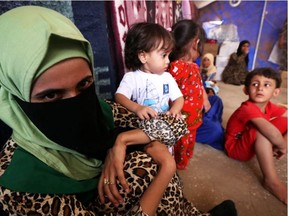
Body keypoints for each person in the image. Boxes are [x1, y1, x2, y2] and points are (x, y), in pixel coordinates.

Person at [0, 6, 238, 216]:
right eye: (51, 95)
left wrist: (123, 140)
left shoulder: (102, 111)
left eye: (84, 84)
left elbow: (177, 123)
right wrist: (167, 168)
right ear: (15, 93)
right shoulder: (19, 184)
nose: (76, 103)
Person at [115, 22, 184, 157]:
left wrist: (175, 109)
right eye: (163, 55)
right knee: (155, 161)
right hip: (143, 132)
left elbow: (179, 98)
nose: (168, 61)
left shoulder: (167, 77)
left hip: (165, 129)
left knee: (168, 159)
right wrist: (137, 108)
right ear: (143, 56)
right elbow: (119, 96)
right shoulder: (132, 77)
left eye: (169, 56)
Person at [225, 67, 287, 205]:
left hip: (249, 142)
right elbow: (271, 132)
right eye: (255, 84)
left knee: (284, 120)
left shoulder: (270, 106)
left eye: (267, 85)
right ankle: (271, 181)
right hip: (236, 149)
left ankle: (267, 145)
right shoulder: (247, 108)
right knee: (264, 131)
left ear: (276, 92)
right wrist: (282, 145)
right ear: (246, 90)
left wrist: (284, 143)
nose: (260, 88)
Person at [169, 19, 211, 169]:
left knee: (189, 140)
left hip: (193, 116)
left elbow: (199, 84)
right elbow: (168, 91)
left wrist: (205, 97)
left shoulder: (193, 66)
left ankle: (182, 161)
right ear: (196, 43)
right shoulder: (175, 67)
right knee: (179, 141)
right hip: (181, 118)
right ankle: (176, 164)